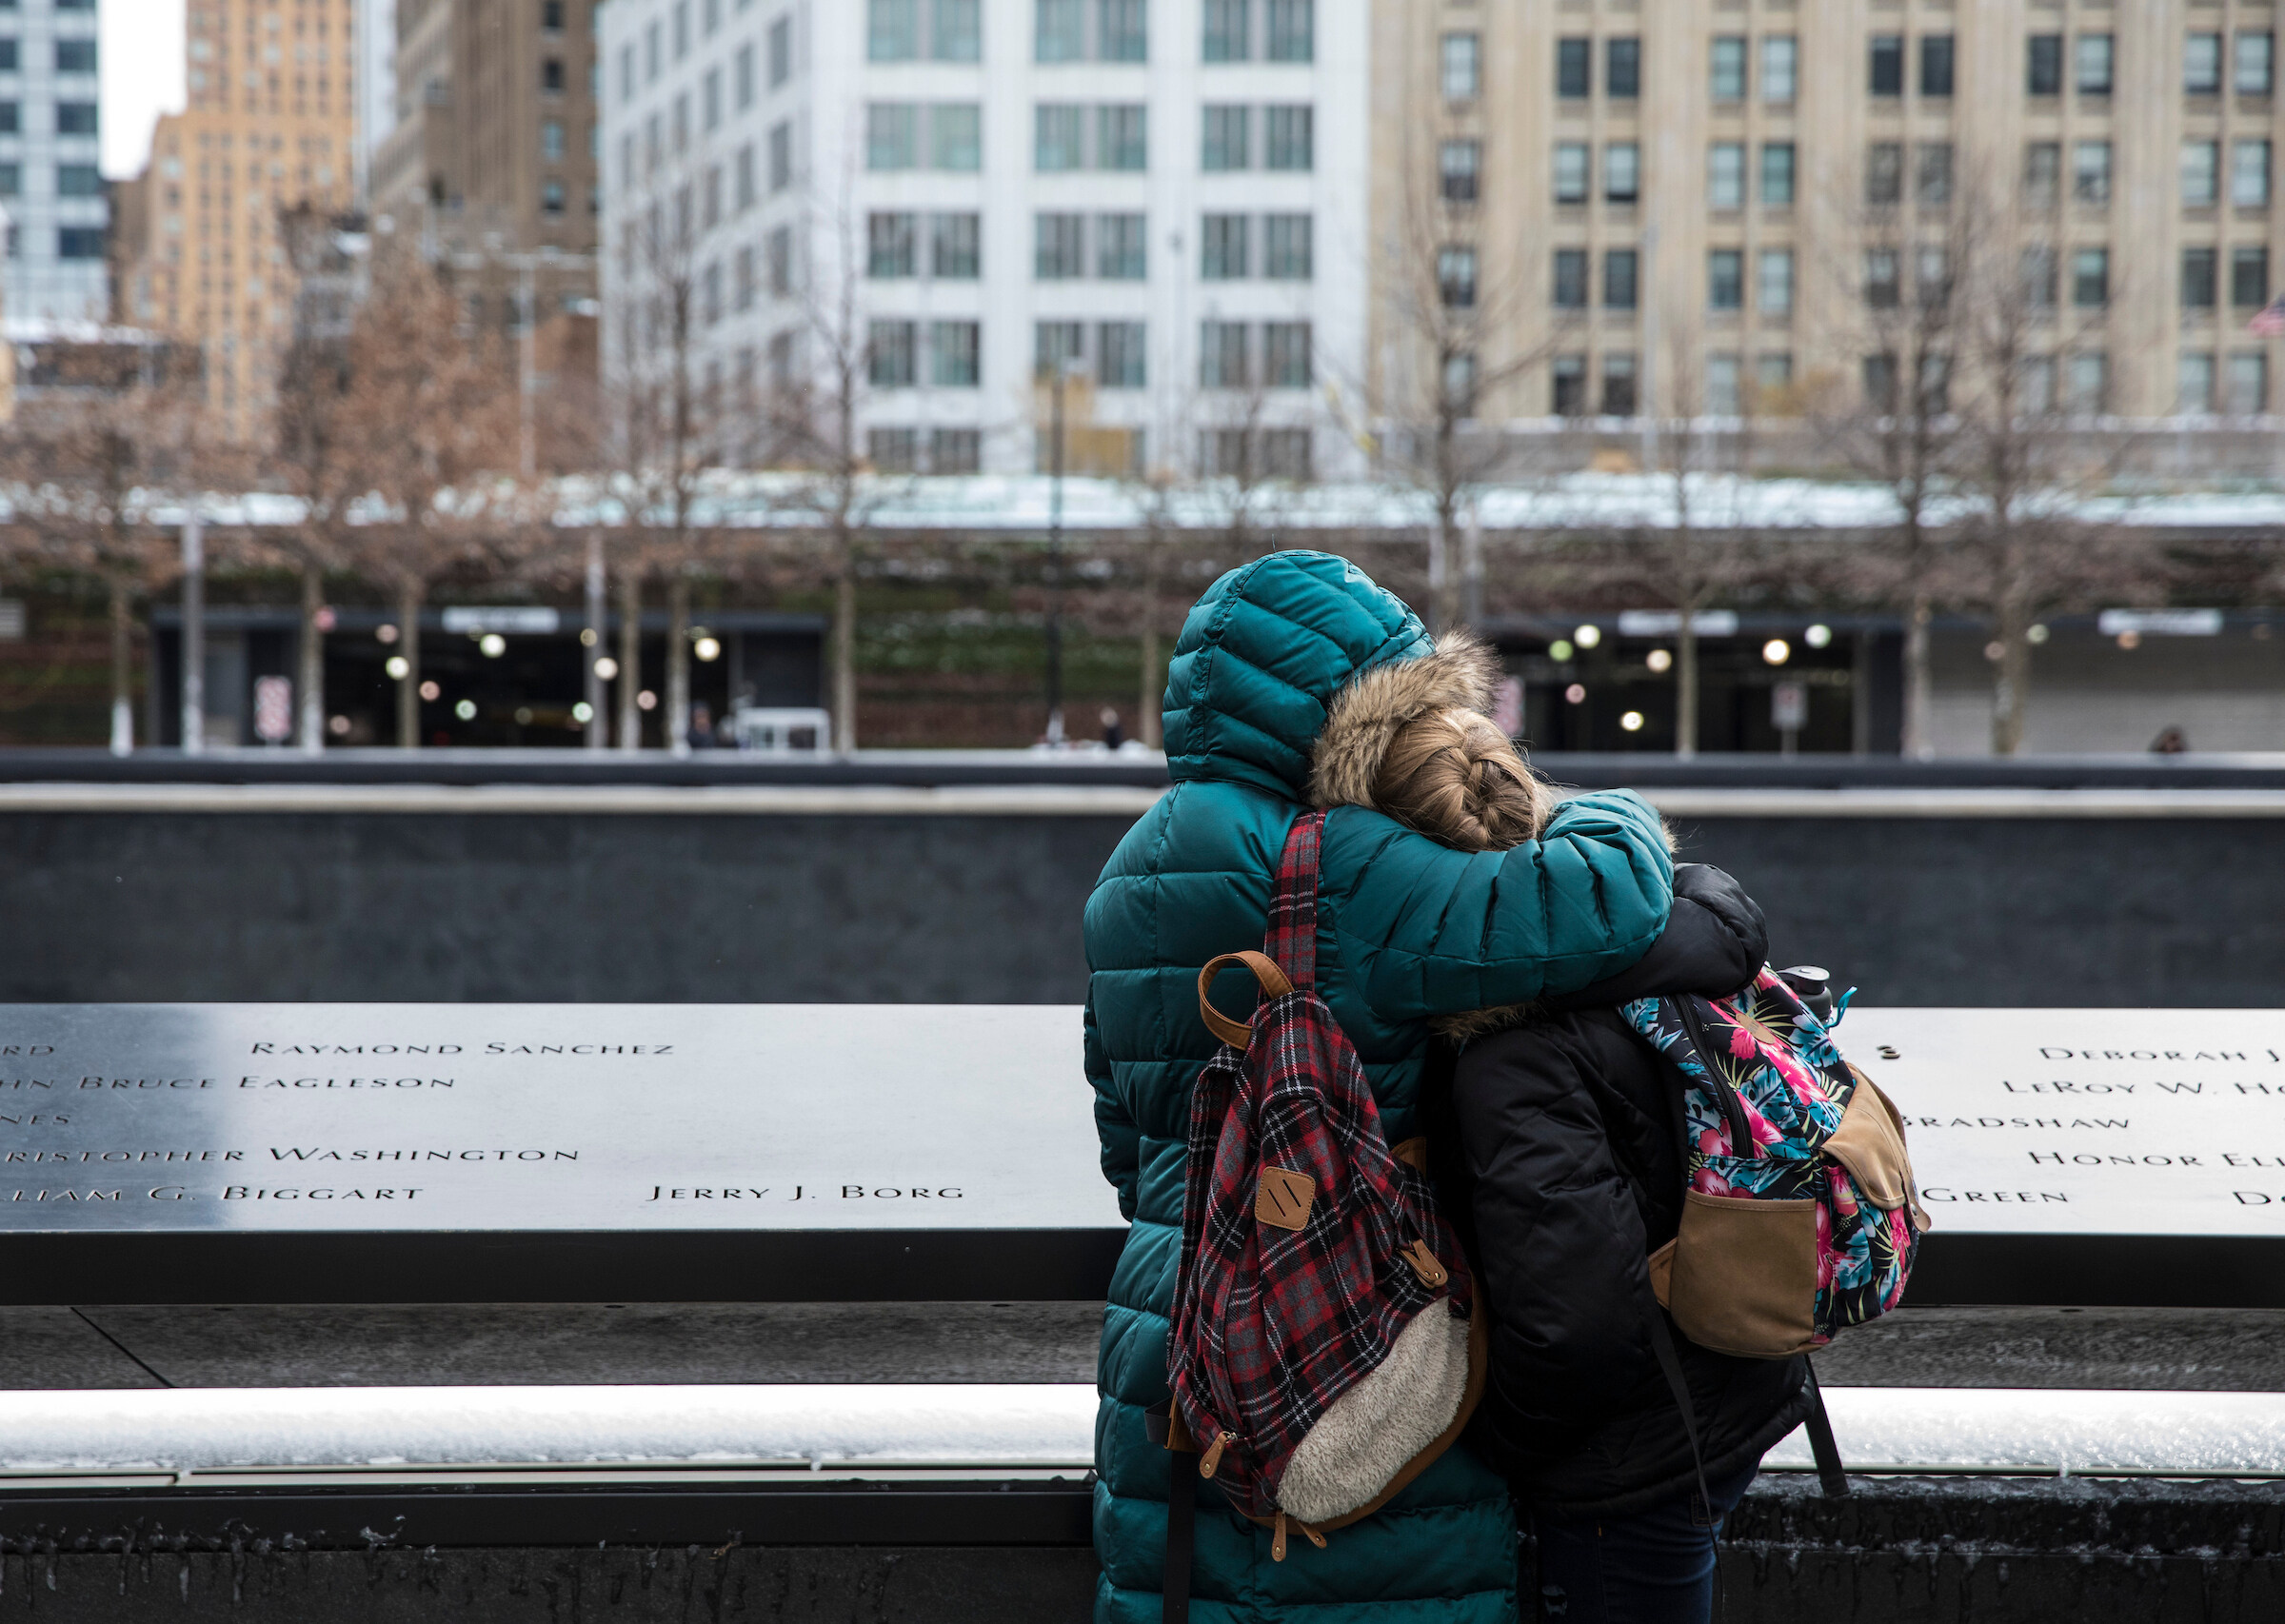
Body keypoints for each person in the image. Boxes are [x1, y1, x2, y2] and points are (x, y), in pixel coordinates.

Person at [1083, 552, 1681, 1624]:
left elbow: (1126, 1133)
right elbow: (1602, 900)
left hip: (1173, 1321)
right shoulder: (1341, 862)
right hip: (1346, 1318)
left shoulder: (1131, 870)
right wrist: (1613, 808)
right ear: (1354, 708)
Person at [1313, 691, 1812, 1624]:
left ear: (1422, 875)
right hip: (1729, 1381)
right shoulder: (1671, 926)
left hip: (1628, 1459)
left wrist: (1487, 1437)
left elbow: (1575, 1323)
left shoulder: (1514, 1052)